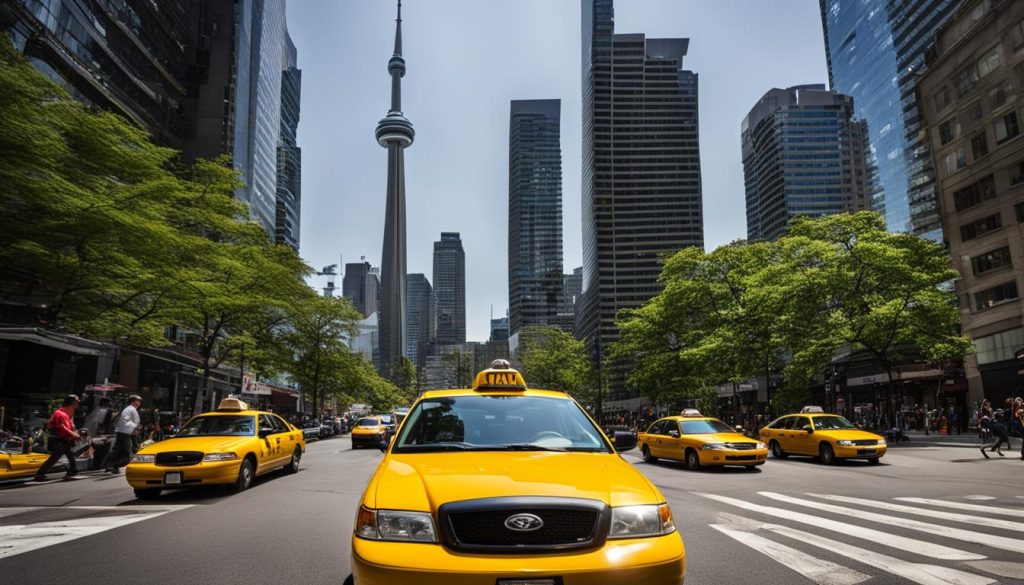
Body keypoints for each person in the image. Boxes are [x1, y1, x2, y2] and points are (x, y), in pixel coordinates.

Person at [33, 395, 82, 481]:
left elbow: (70, 424)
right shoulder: (59, 413)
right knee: (54, 458)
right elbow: (61, 427)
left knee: (70, 455)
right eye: (77, 402)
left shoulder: (69, 412)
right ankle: (39, 474)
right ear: (72, 403)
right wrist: (73, 434)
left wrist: (74, 431)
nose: (78, 404)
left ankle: (73, 471)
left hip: (65, 439)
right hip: (59, 439)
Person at [104, 394, 141, 474]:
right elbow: (125, 420)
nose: (139, 403)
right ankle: (112, 465)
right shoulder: (129, 409)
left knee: (118, 450)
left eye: (139, 401)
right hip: (124, 433)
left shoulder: (131, 409)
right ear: (133, 402)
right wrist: (135, 427)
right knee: (126, 453)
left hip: (124, 432)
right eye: (138, 401)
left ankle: (111, 466)